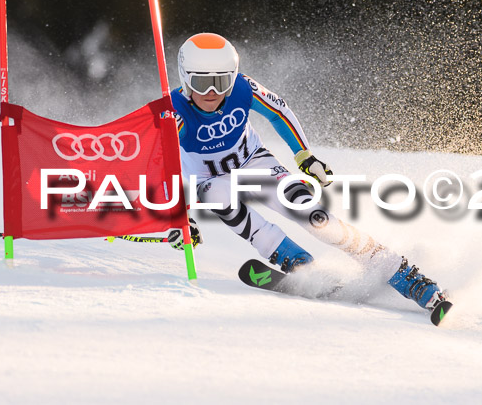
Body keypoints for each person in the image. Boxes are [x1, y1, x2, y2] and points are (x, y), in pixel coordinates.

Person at [166, 32, 448, 311]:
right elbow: (162, 167)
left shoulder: (243, 88)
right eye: (201, 83)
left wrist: (305, 156)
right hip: (209, 180)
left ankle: (401, 273)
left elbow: (279, 112)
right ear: (184, 77)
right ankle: (298, 263)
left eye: (221, 81)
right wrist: (179, 218)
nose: (211, 92)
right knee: (224, 202)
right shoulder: (173, 112)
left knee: (315, 217)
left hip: (254, 162)